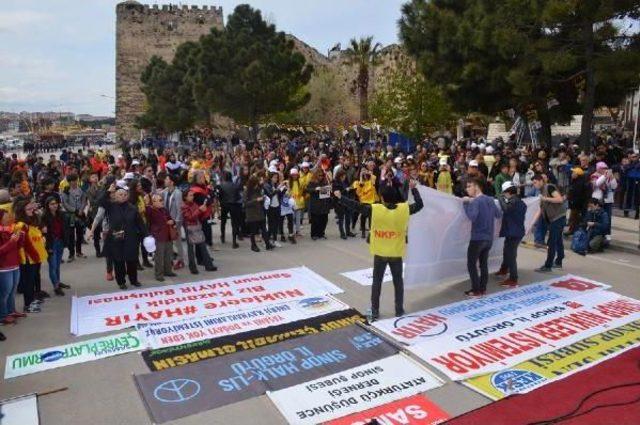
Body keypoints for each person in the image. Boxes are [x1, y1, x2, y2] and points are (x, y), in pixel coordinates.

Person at [335, 179, 423, 321]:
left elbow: (356, 206)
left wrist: (340, 197)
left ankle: (375, 311)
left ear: (382, 198)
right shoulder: (404, 209)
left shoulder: (375, 209)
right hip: (395, 253)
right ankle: (399, 309)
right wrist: (414, 189)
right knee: (398, 282)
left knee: (377, 282)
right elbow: (419, 205)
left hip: (380, 252)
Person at [100, 182, 146, 289]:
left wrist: (146, 235)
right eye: (120, 194)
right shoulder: (111, 206)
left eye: (125, 194)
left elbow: (140, 223)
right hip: (116, 239)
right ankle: (121, 282)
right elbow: (101, 201)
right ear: (115, 196)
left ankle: (134, 280)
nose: (123, 196)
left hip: (131, 238)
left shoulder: (132, 208)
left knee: (132, 261)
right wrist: (108, 191)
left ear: (128, 196)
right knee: (119, 262)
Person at [463, 177, 503, 297]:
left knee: (471, 264)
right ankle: (482, 288)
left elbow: (472, 216)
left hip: (477, 238)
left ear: (476, 186)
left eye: (469, 186)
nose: (467, 189)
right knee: (483, 264)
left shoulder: (476, 201)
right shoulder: (490, 200)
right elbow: (498, 214)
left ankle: (476, 290)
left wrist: (466, 203)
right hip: (488, 238)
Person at [13, 198, 48, 312]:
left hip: (35, 256)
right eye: (28, 208)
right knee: (28, 281)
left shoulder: (31, 220)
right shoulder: (21, 225)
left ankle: (32, 299)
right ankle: (28, 305)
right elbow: (22, 244)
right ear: (22, 210)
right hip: (28, 258)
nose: (32, 210)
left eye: (32, 208)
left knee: (32, 280)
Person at [495, 181, 527, 287]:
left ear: (508, 192)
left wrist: (500, 199)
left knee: (511, 255)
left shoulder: (514, 202)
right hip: (514, 232)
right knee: (507, 251)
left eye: (504, 193)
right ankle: (504, 269)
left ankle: (513, 279)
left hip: (514, 233)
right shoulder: (520, 202)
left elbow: (506, 209)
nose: (503, 195)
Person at [532, 174, 567, 272]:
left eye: (535, 182)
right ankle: (559, 261)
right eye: (533, 183)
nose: (534, 185)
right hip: (553, 219)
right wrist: (532, 223)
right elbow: (540, 210)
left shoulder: (549, 187)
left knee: (551, 242)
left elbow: (559, 199)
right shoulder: (541, 192)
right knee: (558, 240)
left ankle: (548, 266)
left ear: (540, 181)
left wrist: (545, 199)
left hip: (558, 217)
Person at [182, 189, 217, 273]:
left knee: (202, 246)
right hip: (189, 228)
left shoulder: (194, 204)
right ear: (185, 197)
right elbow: (190, 217)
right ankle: (193, 268)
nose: (192, 197)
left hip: (197, 227)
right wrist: (200, 210)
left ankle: (208, 265)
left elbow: (197, 215)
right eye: (190, 195)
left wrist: (202, 210)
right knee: (191, 249)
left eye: (192, 195)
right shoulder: (183, 206)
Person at [0, 209, 25, 327]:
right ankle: (3, 316)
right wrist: (11, 242)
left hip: (15, 264)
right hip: (4, 267)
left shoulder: (11, 230)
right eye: (5, 217)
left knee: (13, 290)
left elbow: (18, 246)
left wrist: (20, 238)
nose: (8, 219)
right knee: (5, 292)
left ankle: (11, 310)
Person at [42, 196, 71, 296]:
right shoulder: (44, 216)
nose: (54, 206)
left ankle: (58, 282)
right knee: (52, 266)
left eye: (56, 203)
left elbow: (65, 229)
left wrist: (66, 241)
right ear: (47, 206)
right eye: (52, 204)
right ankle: (56, 286)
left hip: (60, 242)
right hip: (51, 243)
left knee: (57, 265)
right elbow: (44, 232)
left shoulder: (61, 214)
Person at [146, 193, 178, 281]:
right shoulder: (150, 210)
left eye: (162, 200)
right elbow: (146, 211)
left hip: (168, 235)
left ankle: (168, 271)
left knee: (168, 255)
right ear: (154, 202)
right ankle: (159, 274)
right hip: (158, 236)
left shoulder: (164, 209)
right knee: (159, 257)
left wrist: (172, 221)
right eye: (159, 200)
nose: (162, 202)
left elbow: (171, 219)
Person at [60, 173, 87, 262]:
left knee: (80, 234)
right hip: (70, 215)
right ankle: (71, 254)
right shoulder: (66, 191)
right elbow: (65, 203)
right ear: (69, 182)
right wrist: (74, 210)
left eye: (76, 180)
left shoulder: (81, 190)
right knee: (71, 235)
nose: (74, 182)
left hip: (80, 214)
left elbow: (84, 200)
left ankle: (79, 251)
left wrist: (81, 209)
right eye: (72, 181)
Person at [244, 175, 272, 252]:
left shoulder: (259, 189)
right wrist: (256, 200)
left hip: (260, 212)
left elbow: (261, 199)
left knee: (264, 229)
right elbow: (245, 204)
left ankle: (267, 244)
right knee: (253, 231)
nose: (257, 185)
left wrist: (263, 199)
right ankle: (253, 245)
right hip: (252, 214)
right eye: (256, 184)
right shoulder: (247, 191)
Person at [162, 174, 185, 268]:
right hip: (167, 221)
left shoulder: (178, 193)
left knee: (177, 241)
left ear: (171, 182)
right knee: (169, 241)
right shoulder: (165, 191)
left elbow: (180, 209)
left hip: (175, 221)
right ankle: (171, 259)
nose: (164, 181)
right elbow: (155, 194)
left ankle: (180, 260)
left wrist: (177, 223)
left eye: (166, 179)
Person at [306, 167, 332, 240]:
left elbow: (328, 192)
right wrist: (315, 189)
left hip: (324, 204)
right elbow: (307, 190)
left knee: (324, 220)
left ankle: (321, 233)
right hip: (315, 204)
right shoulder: (312, 182)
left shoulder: (325, 182)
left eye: (322, 175)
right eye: (319, 175)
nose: (321, 177)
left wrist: (329, 188)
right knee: (315, 221)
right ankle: (314, 234)